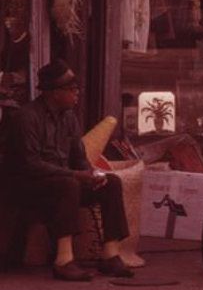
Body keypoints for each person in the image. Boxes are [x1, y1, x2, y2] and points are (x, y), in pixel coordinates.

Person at [1, 59, 133, 281]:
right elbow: (30, 164)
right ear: (53, 93)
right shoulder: (27, 117)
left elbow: (79, 159)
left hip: (61, 182)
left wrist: (91, 175)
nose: (77, 93)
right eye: (71, 89)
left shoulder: (69, 117)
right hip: (26, 186)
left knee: (111, 183)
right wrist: (75, 175)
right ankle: (64, 260)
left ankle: (110, 255)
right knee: (68, 184)